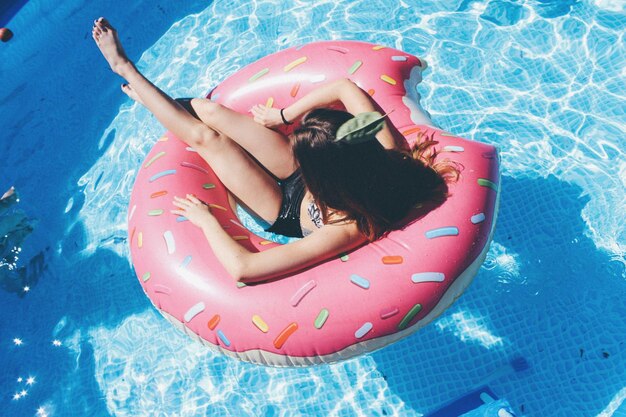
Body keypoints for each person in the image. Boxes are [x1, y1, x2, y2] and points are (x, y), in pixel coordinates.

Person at [92, 18, 459, 283]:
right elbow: (345, 88)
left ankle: (126, 69)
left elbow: (244, 269)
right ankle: (151, 98)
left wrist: (207, 220)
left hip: (283, 209)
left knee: (209, 140)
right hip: (313, 178)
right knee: (213, 112)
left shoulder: (347, 229)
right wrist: (284, 115)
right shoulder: (385, 149)